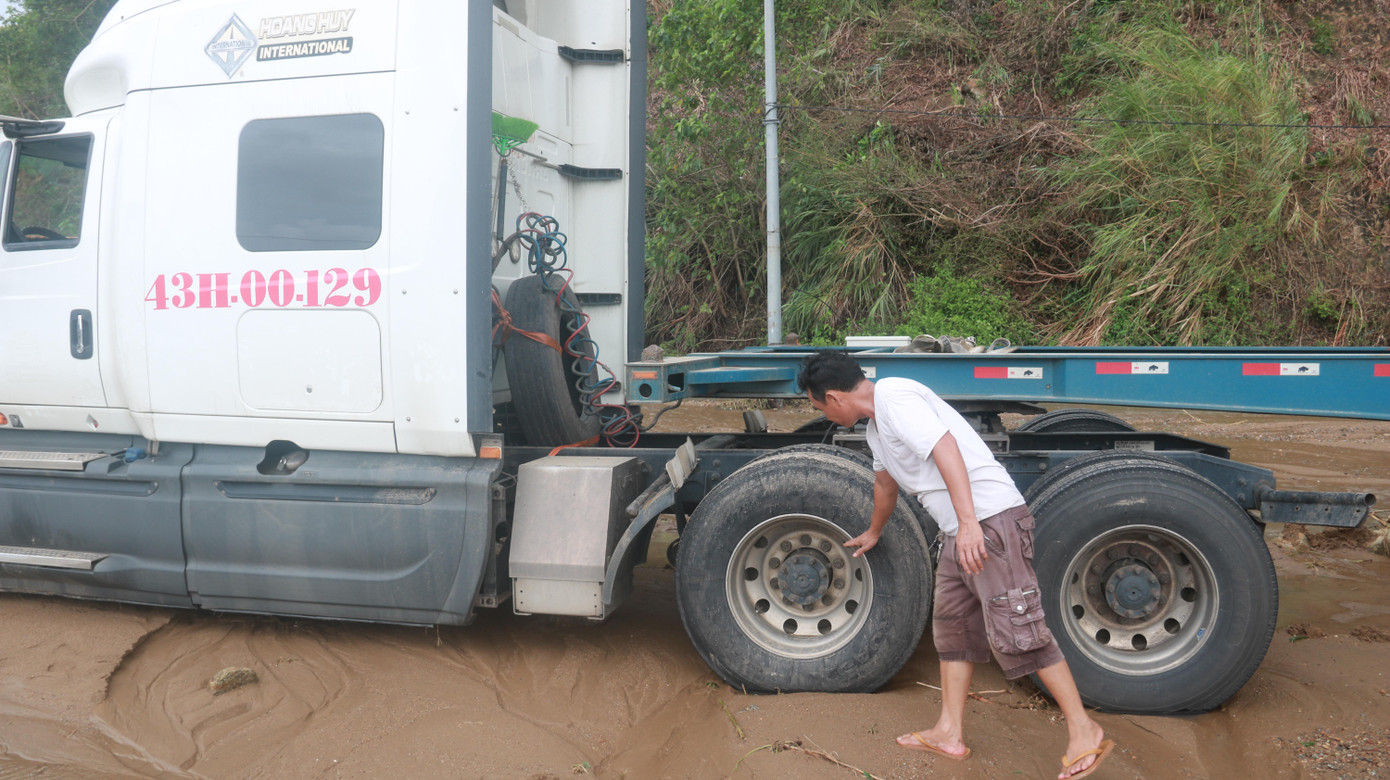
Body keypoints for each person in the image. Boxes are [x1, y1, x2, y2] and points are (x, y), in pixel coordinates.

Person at [797, 351, 1115, 780]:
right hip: (961, 530)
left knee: (1020, 628)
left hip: (988, 522)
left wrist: (968, 525)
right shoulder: (877, 429)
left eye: (819, 407)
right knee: (954, 629)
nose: (825, 415)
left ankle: (1084, 730)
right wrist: (874, 531)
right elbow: (884, 484)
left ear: (833, 397)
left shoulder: (894, 397)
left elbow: (945, 447)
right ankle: (949, 731)